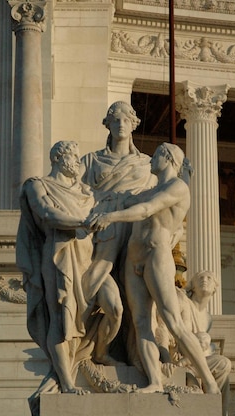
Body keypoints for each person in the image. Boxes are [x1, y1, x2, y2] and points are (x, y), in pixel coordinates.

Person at [87, 143, 220, 395]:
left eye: (157, 154)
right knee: (140, 323)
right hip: (133, 260)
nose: (151, 159)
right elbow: (122, 199)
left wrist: (110, 218)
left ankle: (209, 382)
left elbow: (145, 210)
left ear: (168, 158)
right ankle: (154, 380)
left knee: (172, 321)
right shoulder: (150, 189)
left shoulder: (177, 187)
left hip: (156, 257)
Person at [17, 141, 95, 410]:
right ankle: (67, 381)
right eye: (74, 155)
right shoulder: (37, 185)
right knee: (61, 314)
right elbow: (47, 213)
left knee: (110, 306)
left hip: (88, 256)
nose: (78, 160)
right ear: (60, 158)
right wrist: (84, 222)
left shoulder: (85, 190)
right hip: (58, 253)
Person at [79, 101, 156, 366]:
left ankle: (139, 354)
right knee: (99, 276)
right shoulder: (90, 161)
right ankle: (78, 326)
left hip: (134, 229)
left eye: (125, 119)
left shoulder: (147, 165)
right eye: (115, 120)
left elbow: (159, 202)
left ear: (134, 124)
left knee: (138, 292)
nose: (121, 124)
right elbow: (71, 189)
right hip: (104, 230)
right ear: (108, 125)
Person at [158, 271, 232, 416]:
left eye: (209, 278)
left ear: (215, 288)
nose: (205, 280)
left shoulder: (208, 318)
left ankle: (222, 411)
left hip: (193, 363)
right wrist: (166, 359)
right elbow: (164, 327)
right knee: (195, 388)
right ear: (192, 286)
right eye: (200, 278)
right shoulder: (183, 301)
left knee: (224, 364)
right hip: (177, 360)